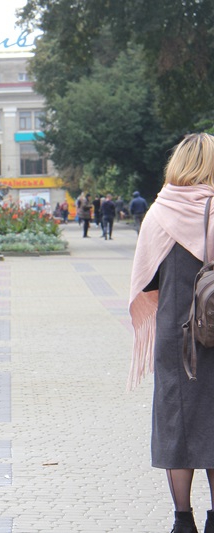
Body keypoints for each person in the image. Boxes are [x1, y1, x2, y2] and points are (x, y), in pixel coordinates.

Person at [128, 133, 214, 533]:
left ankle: (183, 519)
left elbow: (146, 285)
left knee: (176, 421)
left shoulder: (159, 214)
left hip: (174, 339)